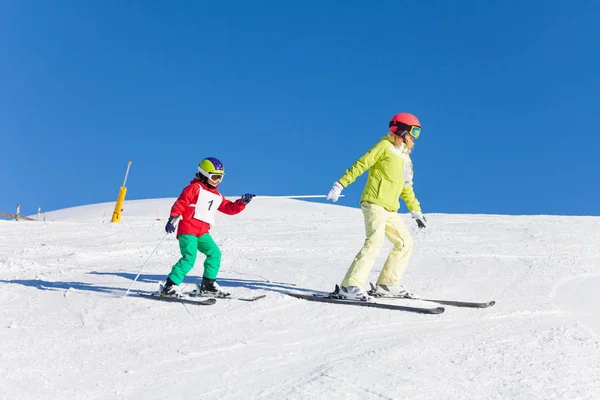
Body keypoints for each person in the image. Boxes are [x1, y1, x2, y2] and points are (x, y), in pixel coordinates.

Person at [325, 113, 427, 301]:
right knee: (375, 241)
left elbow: (407, 188)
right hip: (374, 203)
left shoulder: (406, 158)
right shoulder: (384, 147)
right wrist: (340, 184)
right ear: (402, 129)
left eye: (418, 133)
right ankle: (350, 286)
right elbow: (361, 164)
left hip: (390, 209)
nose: (415, 137)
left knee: (405, 242)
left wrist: (416, 211)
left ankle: (387, 284)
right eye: (414, 131)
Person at [159, 157, 255, 297]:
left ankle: (208, 285)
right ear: (204, 174)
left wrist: (242, 202)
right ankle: (170, 286)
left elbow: (229, 208)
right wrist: (173, 217)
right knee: (189, 258)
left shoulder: (216, 196)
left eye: (220, 178)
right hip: (188, 230)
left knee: (214, 253)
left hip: (203, 232)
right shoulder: (194, 188)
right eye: (215, 177)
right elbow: (181, 202)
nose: (217, 181)